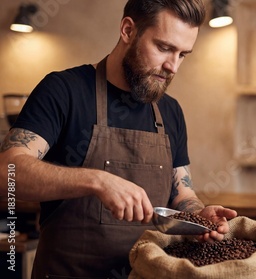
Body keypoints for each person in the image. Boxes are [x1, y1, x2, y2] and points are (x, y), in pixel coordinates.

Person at [0, 0, 237, 277]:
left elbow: (182, 192)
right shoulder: (65, 91)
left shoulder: (170, 111)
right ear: (127, 30)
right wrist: (96, 180)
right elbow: (7, 173)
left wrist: (198, 217)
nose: (172, 66)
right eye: (163, 48)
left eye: (183, 54)